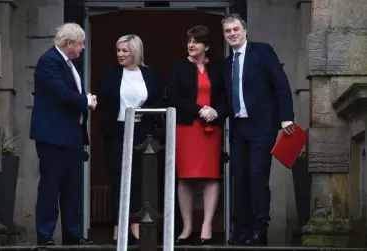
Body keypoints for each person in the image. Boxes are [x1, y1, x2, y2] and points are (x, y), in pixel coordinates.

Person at [221, 14, 294, 246]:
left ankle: (259, 230)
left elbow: (280, 84)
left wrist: (286, 118)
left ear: (245, 30)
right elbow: (226, 99)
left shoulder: (262, 52)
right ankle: (241, 230)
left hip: (262, 126)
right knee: (240, 178)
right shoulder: (227, 64)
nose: (232, 34)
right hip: (239, 127)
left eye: (235, 29)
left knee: (257, 176)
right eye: (227, 31)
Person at [30, 22, 96, 246]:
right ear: (68, 43)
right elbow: (62, 94)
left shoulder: (66, 63)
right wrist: (86, 101)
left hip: (71, 134)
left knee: (72, 187)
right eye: (80, 43)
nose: (83, 48)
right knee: (51, 185)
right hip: (53, 136)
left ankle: (72, 234)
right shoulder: (49, 61)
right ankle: (45, 234)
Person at [96, 34, 162, 245]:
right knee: (118, 179)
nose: (121, 55)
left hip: (142, 132)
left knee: (140, 180)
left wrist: (144, 111)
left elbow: (158, 101)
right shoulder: (111, 73)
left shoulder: (150, 75)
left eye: (125, 50)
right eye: (118, 51)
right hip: (117, 132)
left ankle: (135, 224)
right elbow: (104, 100)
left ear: (135, 51)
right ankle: (118, 225)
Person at [166, 26, 228, 245]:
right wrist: (199, 110)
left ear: (207, 46)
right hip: (186, 127)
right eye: (189, 41)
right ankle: (187, 227)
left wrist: (216, 111)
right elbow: (173, 96)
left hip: (210, 130)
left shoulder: (218, 68)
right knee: (185, 178)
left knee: (211, 177)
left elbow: (227, 96)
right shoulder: (178, 67)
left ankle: (207, 226)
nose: (191, 45)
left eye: (197, 42)